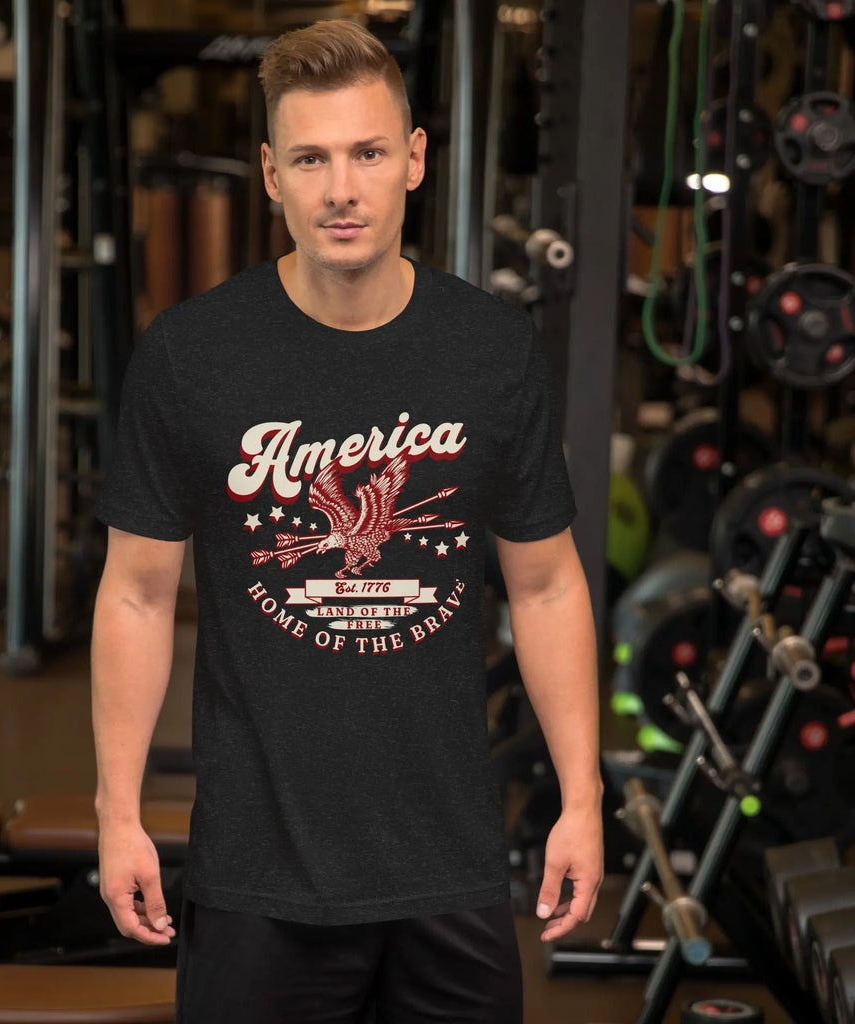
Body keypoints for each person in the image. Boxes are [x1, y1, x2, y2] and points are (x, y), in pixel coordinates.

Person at [91, 18, 602, 1023]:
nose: (341, 189)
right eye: (312, 159)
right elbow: (137, 593)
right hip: (258, 869)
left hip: (448, 865)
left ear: (413, 161)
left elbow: (546, 583)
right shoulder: (193, 356)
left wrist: (580, 801)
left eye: (368, 152)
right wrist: (118, 814)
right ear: (271, 175)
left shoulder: (492, 352)